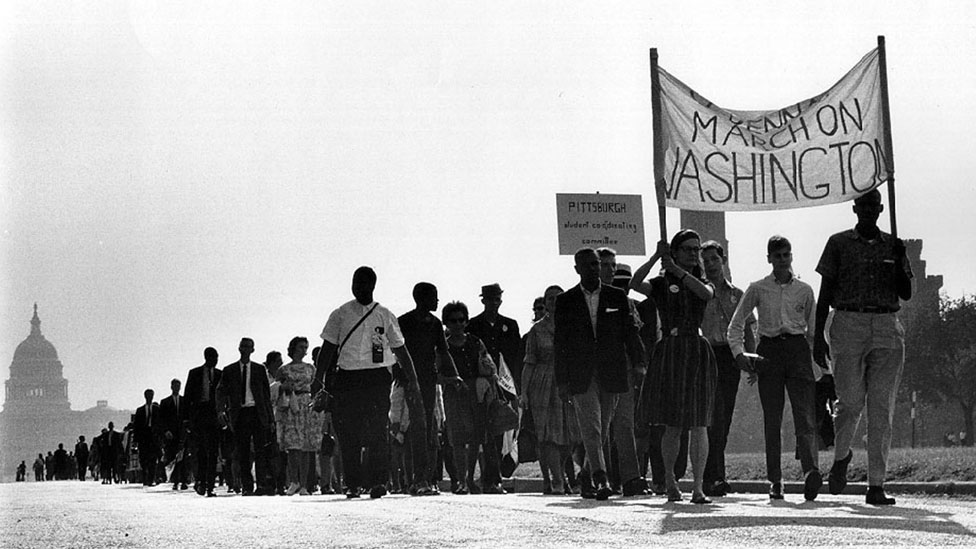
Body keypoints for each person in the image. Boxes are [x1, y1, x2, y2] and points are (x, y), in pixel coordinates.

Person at [813, 189, 913, 506]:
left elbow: (907, 292)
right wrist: (817, 337)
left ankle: (876, 484)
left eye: (874, 206)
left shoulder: (893, 246)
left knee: (881, 408)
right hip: (848, 323)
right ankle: (841, 457)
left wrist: (899, 258)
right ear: (855, 209)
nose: (868, 211)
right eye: (863, 206)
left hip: (885, 324)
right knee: (850, 403)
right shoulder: (838, 243)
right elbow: (825, 292)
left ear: (881, 209)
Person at [314, 266, 422, 499]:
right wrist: (318, 378)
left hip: (376, 378)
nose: (358, 288)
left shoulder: (384, 314)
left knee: (377, 431)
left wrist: (412, 379)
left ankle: (377, 482)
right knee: (348, 432)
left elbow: (400, 350)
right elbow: (328, 349)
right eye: (355, 283)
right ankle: (352, 484)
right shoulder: (340, 314)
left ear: (372, 286)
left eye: (363, 284)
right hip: (348, 378)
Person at [728, 235, 821, 500]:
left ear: (792, 257)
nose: (782, 260)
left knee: (804, 414)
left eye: (786, 255)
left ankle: (810, 471)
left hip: (797, 349)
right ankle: (776, 480)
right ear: (769, 258)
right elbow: (736, 323)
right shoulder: (758, 288)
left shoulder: (804, 290)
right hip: (769, 351)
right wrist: (739, 353)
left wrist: (819, 364)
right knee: (773, 418)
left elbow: (813, 331)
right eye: (777, 255)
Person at [631, 230, 716, 504]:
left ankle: (699, 487)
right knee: (673, 423)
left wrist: (678, 271)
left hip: (696, 350)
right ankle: (669, 480)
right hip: (671, 350)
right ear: (676, 251)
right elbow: (635, 283)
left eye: (696, 249)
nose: (694, 253)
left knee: (699, 422)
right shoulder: (661, 283)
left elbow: (705, 293)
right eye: (688, 249)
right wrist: (658, 255)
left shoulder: (699, 280)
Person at [554, 248, 645, 501]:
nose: (594, 269)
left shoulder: (616, 297)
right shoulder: (566, 300)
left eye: (597, 264)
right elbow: (560, 343)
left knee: (602, 427)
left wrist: (639, 362)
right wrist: (561, 380)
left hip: (612, 370)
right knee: (591, 426)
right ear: (577, 269)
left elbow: (630, 333)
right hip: (581, 373)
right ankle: (601, 477)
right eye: (588, 265)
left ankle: (585, 473)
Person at [698, 240, 756, 497]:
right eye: (705, 260)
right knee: (714, 417)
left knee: (725, 417)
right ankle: (714, 476)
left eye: (714, 259)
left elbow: (747, 328)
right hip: (707, 353)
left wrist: (751, 361)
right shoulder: (699, 291)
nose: (710, 265)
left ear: (723, 260)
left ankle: (715, 474)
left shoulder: (737, 293)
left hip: (730, 355)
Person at [397, 282, 462, 495]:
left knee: (428, 429)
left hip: (428, 381)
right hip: (409, 381)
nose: (437, 301)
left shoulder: (434, 324)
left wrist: (454, 375)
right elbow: (394, 350)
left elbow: (444, 352)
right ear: (421, 299)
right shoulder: (404, 321)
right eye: (434, 296)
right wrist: (400, 375)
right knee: (417, 428)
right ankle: (418, 480)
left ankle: (424, 478)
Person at [521, 285, 577, 495]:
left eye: (558, 298)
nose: (554, 302)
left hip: (568, 382)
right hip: (543, 382)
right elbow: (529, 362)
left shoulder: (573, 325)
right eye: (550, 299)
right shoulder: (537, 329)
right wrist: (524, 392)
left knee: (570, 434)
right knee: (548, 434)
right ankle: (557, 479)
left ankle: (560, 472)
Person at [441, 301, 499, 494]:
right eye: (453, 321)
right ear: (446, 323)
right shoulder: (443, 347)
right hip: (454, 393)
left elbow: (489, 366)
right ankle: (460, 480)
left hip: (476, 392)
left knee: (476, 437)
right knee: (457, 439)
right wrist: (451, 380)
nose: (458, 324)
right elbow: (436, 374)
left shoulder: (475, 342)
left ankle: (469, 478)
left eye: (461, 320)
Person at [467, 283, 521, 493]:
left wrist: (516, 386)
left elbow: (516, 357)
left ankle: (495, 476)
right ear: (483, 300)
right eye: (490, 299)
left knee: (501, 431)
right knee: (482, 432)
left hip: (505, 386)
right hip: (482, 385)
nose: (494, 302)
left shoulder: (510, 325)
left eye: (497, 298)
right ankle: (483, 477)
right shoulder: (473, 325)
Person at [216, 337, 275, 496]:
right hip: (240, 413)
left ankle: (261, 484)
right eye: (243, 346)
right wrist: (220, 410)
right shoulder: (229, 370)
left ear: (253, 350)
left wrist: (270, 419)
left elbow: (266, 396)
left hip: (257, 412)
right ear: (239, 348)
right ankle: (247, 486)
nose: (246, 349)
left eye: (249, 346)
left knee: (260, 450)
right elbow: (220, 391)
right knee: (243, 451)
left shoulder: (259, 369)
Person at [275, 336, 322, 496]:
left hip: (307, 405)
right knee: (294, 446)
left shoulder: (310, 368)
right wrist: (284, 387)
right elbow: (276, 388)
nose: (304, 350)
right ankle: (293, 480)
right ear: (294, 348)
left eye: (305, 347)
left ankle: (304, 484)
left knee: (307, 447)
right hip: (292, 405)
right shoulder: (284, 369)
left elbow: (316, 386)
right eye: (301, 347)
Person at [185, 347, 222, 497]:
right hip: (199, 414)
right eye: (213, 357)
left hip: (214, 415)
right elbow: (187, 396)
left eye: (217, 357)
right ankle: (200, 481)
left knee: (213, 451)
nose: (216, 359)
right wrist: (187, 419)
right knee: (201, 450)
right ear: (206, 357)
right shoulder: (195, 373)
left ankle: (210, 486)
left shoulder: (220, 374)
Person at [159, 378, 188, 490]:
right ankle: (175, 481)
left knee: (183, 458)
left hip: (182, 433)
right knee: (173, 458)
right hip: (171, 435)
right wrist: (166, 431)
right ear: (171, 387)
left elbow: (187, 416)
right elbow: (161, 420)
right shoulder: (165, 402)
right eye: (174, 385)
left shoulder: (184, 401)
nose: (176, 388)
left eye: (178, 385)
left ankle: (184, 481)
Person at [134, 388, 162, 486]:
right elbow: (136, 426)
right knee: (143, 458)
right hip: (143, 437)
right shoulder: (140, 410)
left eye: (151, 395)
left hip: (153, 437)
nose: (150, 397)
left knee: (153, 459)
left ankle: (150, 478)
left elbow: (160, 423)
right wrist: (136, 440)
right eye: (148, 395)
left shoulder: (157, 409)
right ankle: (145, 477)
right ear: (145, 396)